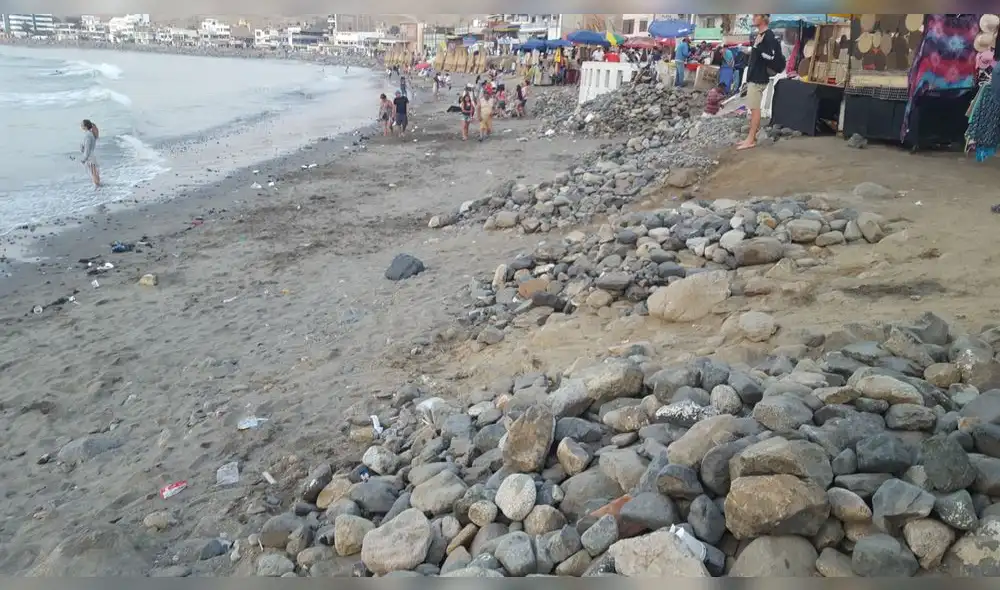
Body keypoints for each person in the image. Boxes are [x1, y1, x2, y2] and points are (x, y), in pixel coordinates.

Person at [739, 14, 784, 151]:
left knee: (755, 109)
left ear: (763, 18)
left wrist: (757, 48)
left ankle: (751, 139)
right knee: (753, 108)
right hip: (755, 76)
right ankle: (751, 137)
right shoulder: (760, 35)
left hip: (758, 77)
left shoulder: (768, 36)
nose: (753, 17)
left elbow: (770, 56)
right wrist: (754, 48)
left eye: (756, 15)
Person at [79, 119, 100, 188]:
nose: (80, 126)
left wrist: (84, 159)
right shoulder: (91, 134)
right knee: (95, 174)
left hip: (90, 158)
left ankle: (98, 190)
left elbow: (87, 149)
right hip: (92, 156)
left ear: (85, 126)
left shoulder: (87, 135)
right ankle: (99, 189)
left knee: (94, 175)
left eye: (81, 124)